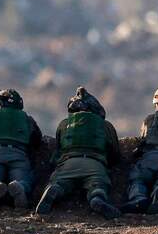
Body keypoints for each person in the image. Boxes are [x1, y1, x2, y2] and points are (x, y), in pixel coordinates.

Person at [33, 87, 122, 219]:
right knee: (98, 185)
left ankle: (54, 190)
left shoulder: (63, 124)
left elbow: (57, 151)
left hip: (68, 163)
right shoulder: (105, 125)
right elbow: (115, 153)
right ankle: (96, 198)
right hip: (95, 164)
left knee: (60, 183)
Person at [0, 88, 42, 208]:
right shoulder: (27, 119)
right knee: (25, 181)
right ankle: (19, 187)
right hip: (19, 155)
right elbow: (37, 140)